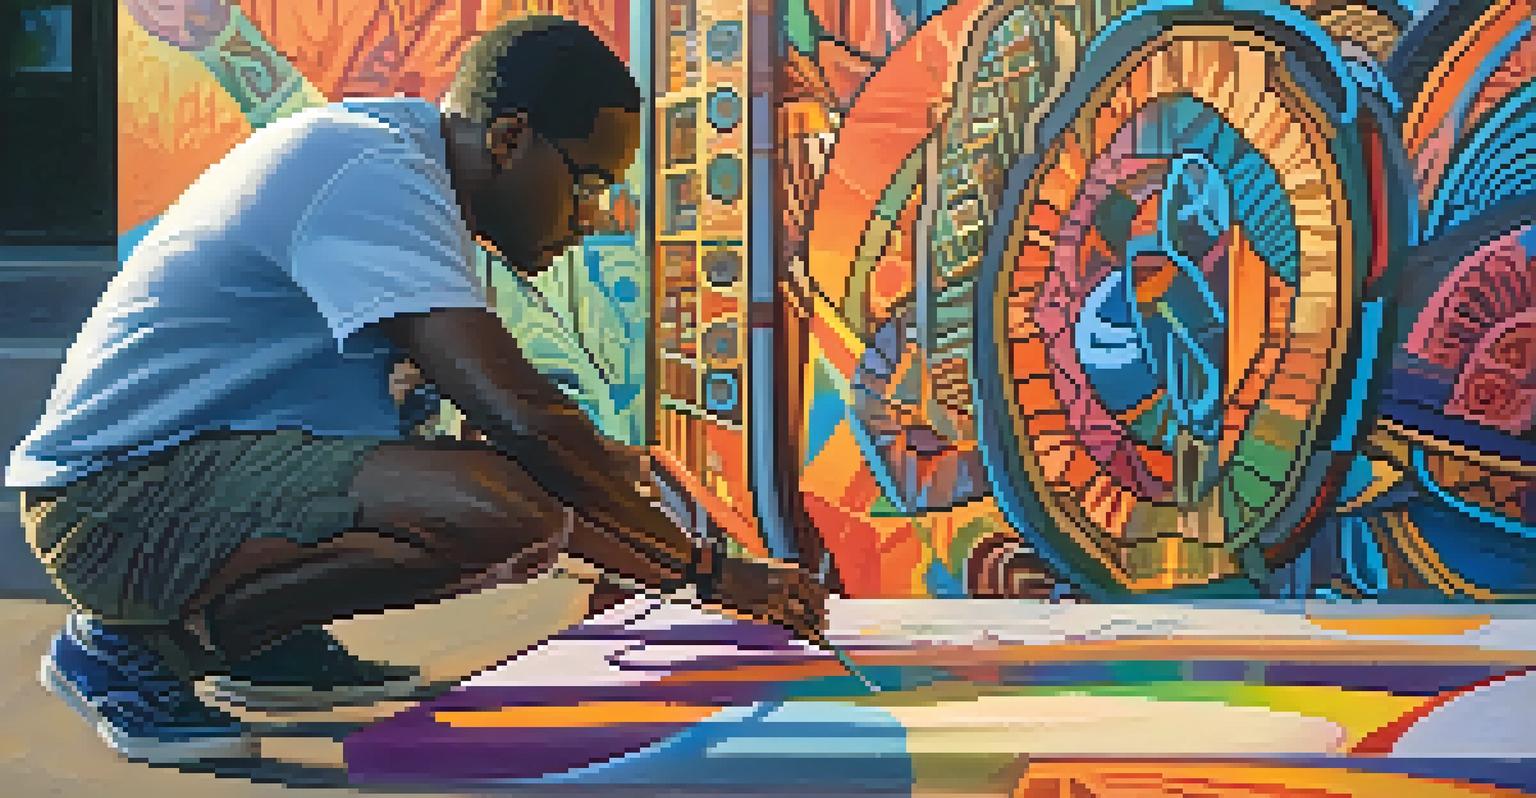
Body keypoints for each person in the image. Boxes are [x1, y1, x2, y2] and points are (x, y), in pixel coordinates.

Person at [6, 17, 829, 764]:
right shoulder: (374, 176)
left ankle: (257, 643)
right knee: (504, 510)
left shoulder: (414, 193)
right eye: (586, 183)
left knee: (521, 510)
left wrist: (665, 560)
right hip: (114, 504)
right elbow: (523, 422)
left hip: (180, 481)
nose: (592, 217)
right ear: (509, 138)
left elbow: (527, 461)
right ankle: (137, 651)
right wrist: (708, 573)